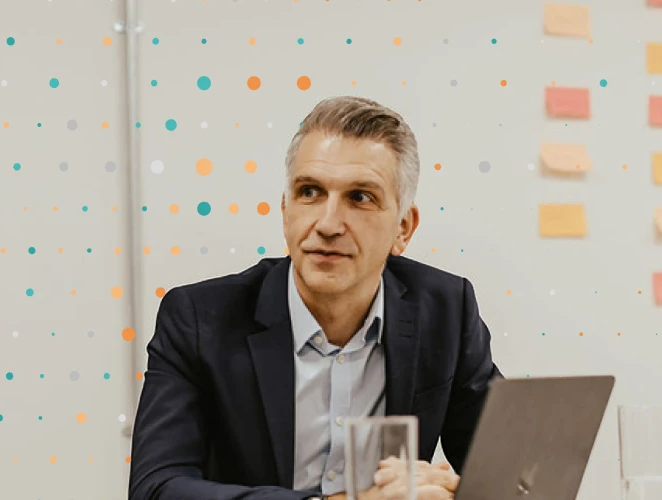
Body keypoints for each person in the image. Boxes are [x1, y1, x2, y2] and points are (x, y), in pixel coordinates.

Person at [128, 96, 503, 500]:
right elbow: (156, 489)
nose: (327, 224)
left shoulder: (446, 310)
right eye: (310, 192)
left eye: (360, 197)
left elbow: (510, 470)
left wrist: (455, 491)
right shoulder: (199, 319)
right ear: (285, 211)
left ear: (403, 228)